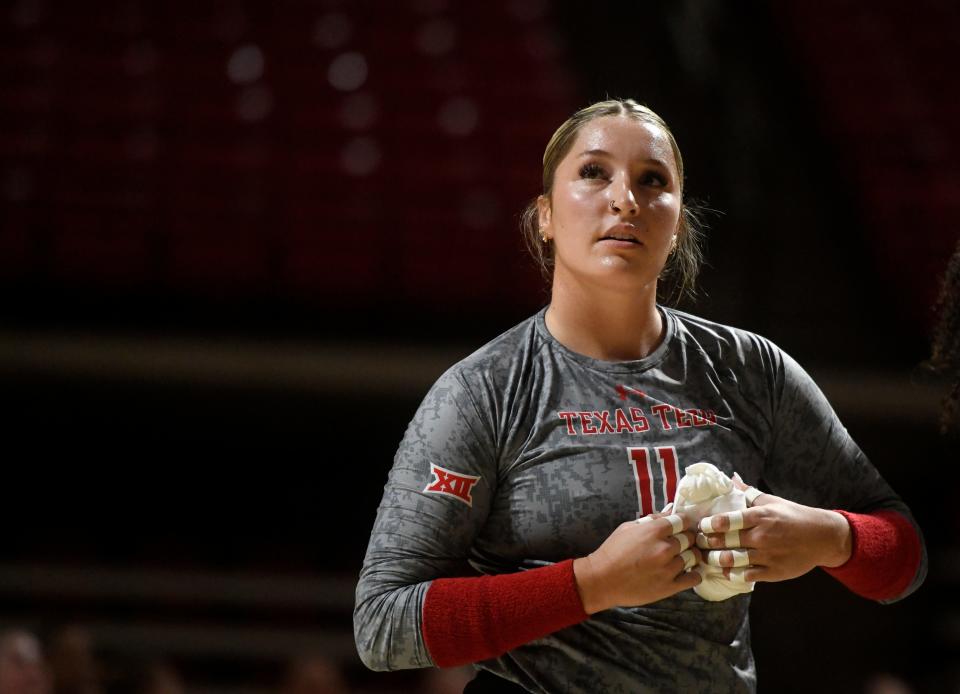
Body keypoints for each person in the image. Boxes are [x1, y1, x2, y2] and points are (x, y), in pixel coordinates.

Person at [353, 98, 926, 693]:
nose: (625, 198)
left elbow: (904, 559)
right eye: (594, 173)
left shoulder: (752, 371)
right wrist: (592, 582)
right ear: (545, 215)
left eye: (652, 180)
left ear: (677, 224)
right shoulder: (483, 391)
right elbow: (382, 626)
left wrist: (830, 537)